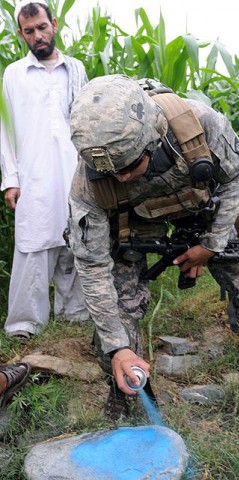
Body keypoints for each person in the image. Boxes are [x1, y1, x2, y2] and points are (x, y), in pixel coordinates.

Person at [67, 74, 239, 419]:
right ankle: (128, 388)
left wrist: (211, 244)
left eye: (130, 166)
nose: (120, 178)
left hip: (198, 203)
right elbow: (91, 267)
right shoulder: (88, 184)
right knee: (120, 307)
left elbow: (234, 178)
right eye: (112, 173)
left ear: (155, 139)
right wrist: (117, 346)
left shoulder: (201, 126)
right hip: (133, 219)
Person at [0, 0, 89, 341]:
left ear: (54, 24)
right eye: (29, 31)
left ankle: (74, 319)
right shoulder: (14, 74)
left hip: (74, 176)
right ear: (21, 35)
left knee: (76, 245)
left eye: (42, 27)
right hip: (33, 177)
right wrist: (11, 180)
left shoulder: (76, 69)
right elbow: (6, 133)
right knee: (33, 247)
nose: (37, 36)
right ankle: (24, 326)